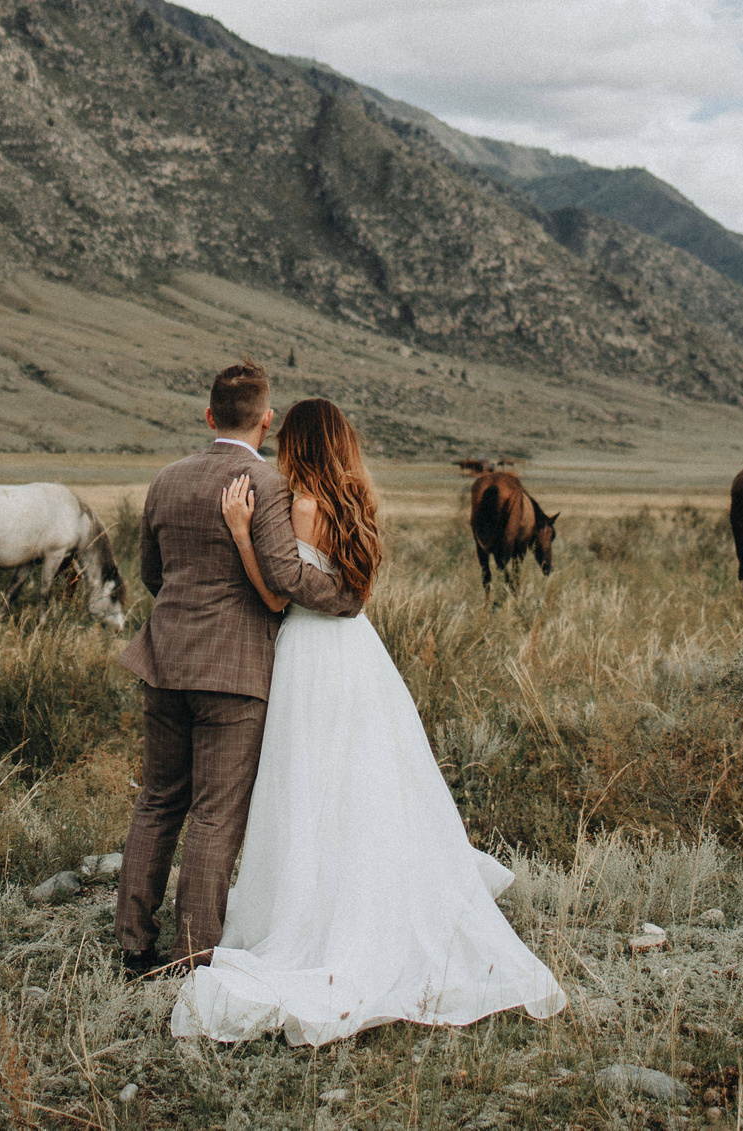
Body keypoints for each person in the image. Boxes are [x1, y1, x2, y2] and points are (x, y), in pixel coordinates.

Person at [170, 396, 567, 1045]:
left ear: (300, 446)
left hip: (308, 653)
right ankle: (371, 895)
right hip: (358, 653)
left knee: (309, 783)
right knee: (366, 783)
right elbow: (350, 591)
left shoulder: (301, 507)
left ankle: (318, 910)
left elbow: (277, 595)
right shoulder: (357, 503)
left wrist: (241, 531)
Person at [115, 361, 362, 975]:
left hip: (164, 661)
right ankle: (193, 953)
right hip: (235, 672)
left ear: (209, 416)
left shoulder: (166, 479)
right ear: (266, 421)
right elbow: (283, 576)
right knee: (216, 815)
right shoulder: (267, 483)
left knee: (157, 801)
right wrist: (346, 597)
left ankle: (133, 943)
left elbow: (151, 573)